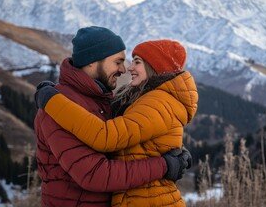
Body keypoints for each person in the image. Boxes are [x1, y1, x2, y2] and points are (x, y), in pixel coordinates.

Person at [34, 27, 191, 207]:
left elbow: (127, 133)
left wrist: (168, 147)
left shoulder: (101, 100)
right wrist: (164, 165)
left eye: (132, 62)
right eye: (118, 62)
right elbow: (95, 175)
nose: (124, 69)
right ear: (92, 61)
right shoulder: (59, 108)